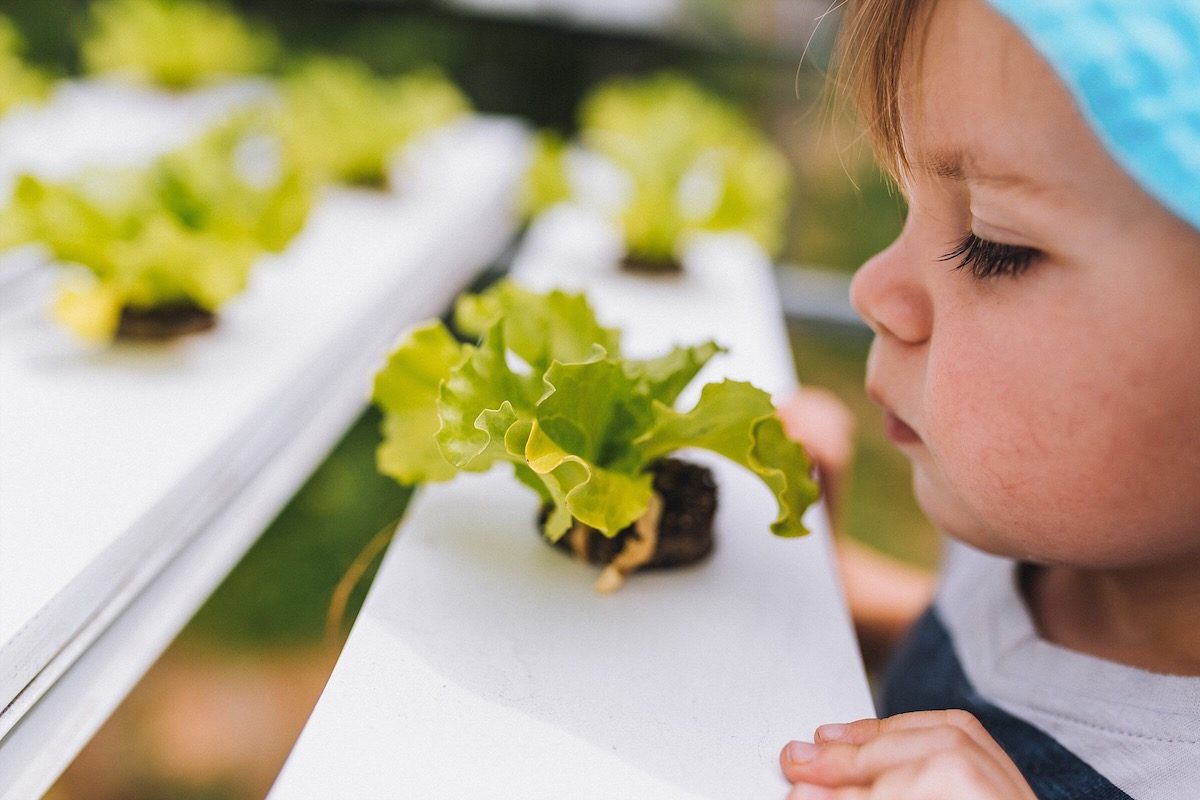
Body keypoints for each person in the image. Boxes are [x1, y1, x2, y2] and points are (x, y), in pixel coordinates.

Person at [775, 0, 1200, 797]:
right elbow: (1024, 673)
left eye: (993, 243)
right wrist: (843, 591)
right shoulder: (1046, 546)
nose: (873, 289)